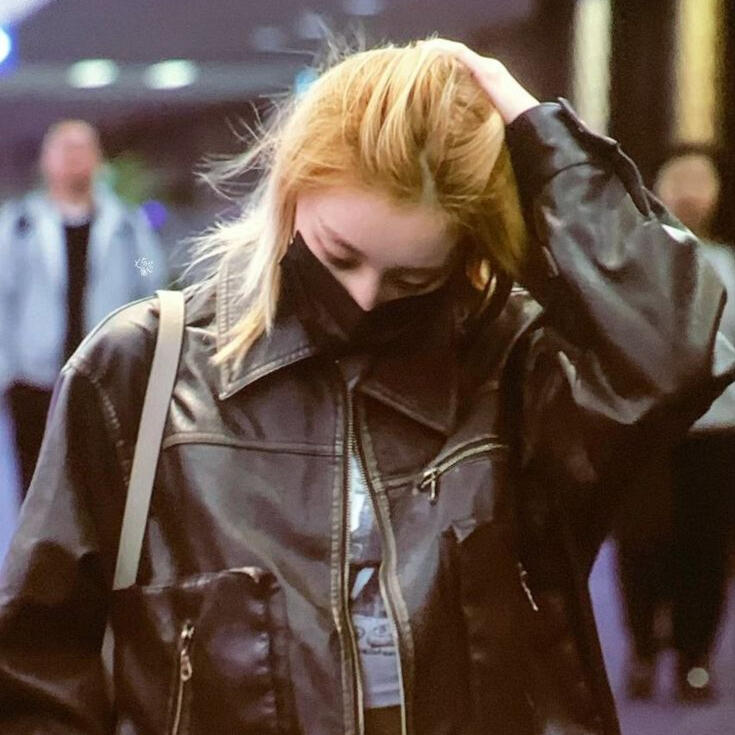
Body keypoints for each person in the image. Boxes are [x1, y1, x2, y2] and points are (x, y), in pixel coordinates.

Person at [0, 39, 733, 735]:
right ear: (292, 189)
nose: (363, 298)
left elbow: (672, 349)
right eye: (339, 254)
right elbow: (38, 667)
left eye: (411, 277)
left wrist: (540, 136)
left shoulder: (508, 366)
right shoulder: (143, 368)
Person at [618, 151, 735, 702]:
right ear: (656, 186)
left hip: (716, 433)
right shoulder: (630, 261)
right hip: (646, 430)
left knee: (705, 549)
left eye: (699, 181)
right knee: (640, 546)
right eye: (678, 179)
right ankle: (642, 649)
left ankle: (694, 658)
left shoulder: (730, 266)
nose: (689, 192)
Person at [0, 119, 167, 498]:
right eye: (65, 150)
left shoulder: (127, 226)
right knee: (36, 481)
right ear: (46, 161)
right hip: (34, 380)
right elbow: (3, 294)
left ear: (98, 160)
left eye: (82, 149)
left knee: (102, 479)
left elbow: (149, 275)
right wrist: (7, 368)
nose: (74, 159)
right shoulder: (19, 226)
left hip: (104, 372)